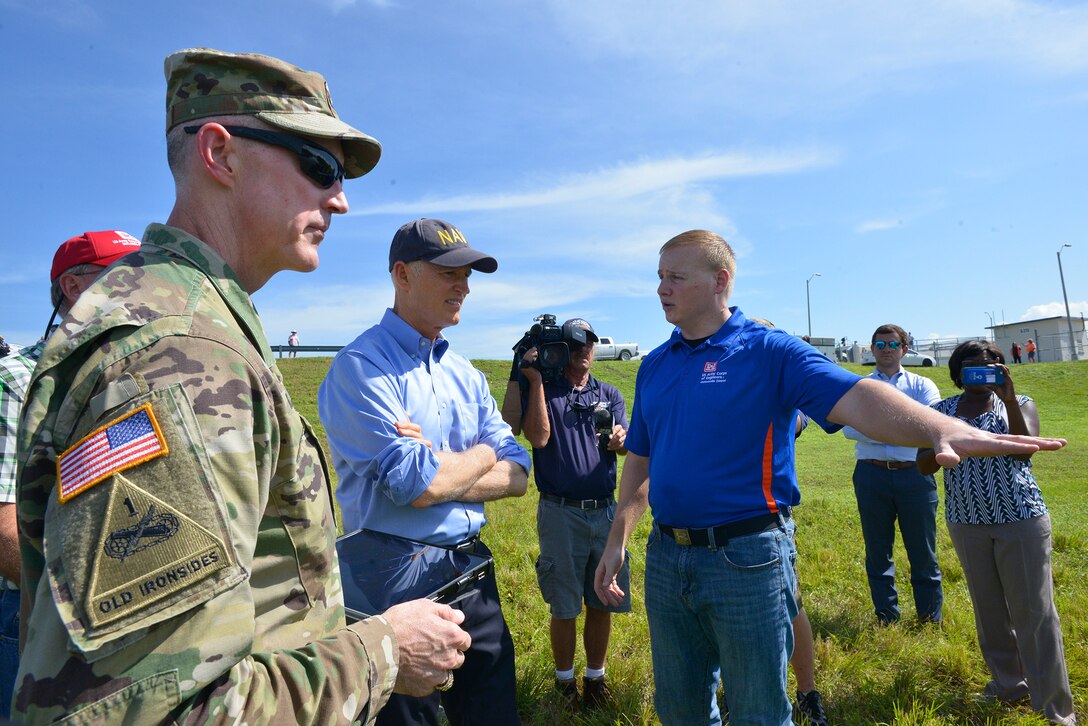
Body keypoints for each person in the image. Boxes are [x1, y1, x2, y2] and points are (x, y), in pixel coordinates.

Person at [14, 49, 470, 724]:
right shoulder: (179, 353)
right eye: (318, 166)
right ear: (221, 155)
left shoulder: (192, 320)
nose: (339, 199)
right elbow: (161, 709)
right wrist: (385, 653)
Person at [592, 229, 1065, 726]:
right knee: (680, 710)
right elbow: (641, 461)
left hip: (745, 558)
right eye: (660, 277)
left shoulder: (770, 351)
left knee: (758, 711)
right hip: (667, 558)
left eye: (676, 277)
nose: (662, 288)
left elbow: (859, 396)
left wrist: (941, 426)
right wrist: (616, 540)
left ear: (720, 281)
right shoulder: (656, 366)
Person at [318, 217, 531, 726]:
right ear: (402, 274)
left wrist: (437, 463)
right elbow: (418, 485)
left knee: (493, 712)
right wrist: (483, 453)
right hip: (392, 579)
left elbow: (520, 471)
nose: (464, 286)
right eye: (448, 272)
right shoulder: (361, 367)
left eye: (468, 275)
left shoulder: (466, 373)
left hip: (472, 571)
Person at [0, 230, 140, 717]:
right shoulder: (15, 382)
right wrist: (91, 610)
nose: (145, 286)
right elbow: (2, 528)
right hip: (36, 618)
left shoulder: (131, 376)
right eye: (126, 274)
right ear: (75, 288)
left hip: (129, 614)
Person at [918, 341, 1076, 725]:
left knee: (1034, 614)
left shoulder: (1019, 403)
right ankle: (1008, 685)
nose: (983, 369)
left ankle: (1054, 708)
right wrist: (943, 445)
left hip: (1020, 519)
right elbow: (923, 466)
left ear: (1003, 369)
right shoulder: (941, 412)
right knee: (989, 612)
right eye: (973, 364)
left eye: (992, 363)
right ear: (958, 372)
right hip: (966, 522)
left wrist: (1006, 399)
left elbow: (1024, 451)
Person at [505, 317, 631, 712]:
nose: (583, 353)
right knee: (564, 605)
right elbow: (537, 438)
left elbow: (625, 447)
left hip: (605, 512)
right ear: (559, 351)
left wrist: (620, 439)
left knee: (601, 601)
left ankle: (595, 679)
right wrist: (535, 380)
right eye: (574, 347)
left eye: (588, 345)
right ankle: (564, 683)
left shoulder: (608, 393)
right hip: (560, 512)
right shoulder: (548, 389)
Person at [841, 324, 943, 625]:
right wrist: (904, 426)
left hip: (915, 475)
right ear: (872, 349)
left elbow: (929, 428)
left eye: (893, 344)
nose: (886, 350)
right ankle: (887, 616)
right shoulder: (857, 387)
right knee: (877, 550)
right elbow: (848, 429)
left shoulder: (923, 386)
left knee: (922, 550)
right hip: (870, 475)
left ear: (905, 349)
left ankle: (929, 618)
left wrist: (873, 426)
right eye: (880, 344)